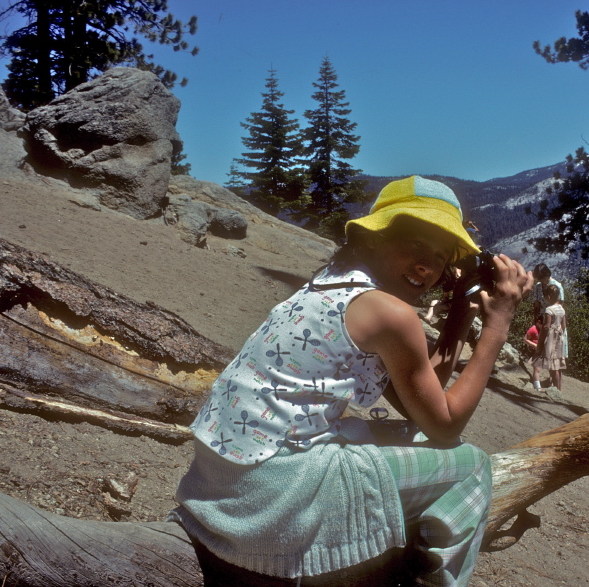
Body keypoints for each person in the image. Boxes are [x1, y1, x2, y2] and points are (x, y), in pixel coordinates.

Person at [170, 175, 533, 587]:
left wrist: (461, 316)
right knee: (473, 465)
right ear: (374, 238)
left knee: (408, 433)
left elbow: (418, 396)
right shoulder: (390, 313)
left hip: (218, 483)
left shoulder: (328, 285)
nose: (426, 266)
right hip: (271, 501)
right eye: (415, 243)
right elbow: (446, 426)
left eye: (440, 255)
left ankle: (396, 555)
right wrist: (498, 325)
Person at [532, 284, 566, 391]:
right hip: (559, 339)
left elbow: (546, 326)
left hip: (551, 339)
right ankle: (558, 389)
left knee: (551, 365)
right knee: (557, 365)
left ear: (549, 297)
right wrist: (559, 334)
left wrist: (541, 341)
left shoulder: (549, 310)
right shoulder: (561, 309)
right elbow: (564, 325)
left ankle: (555, 390)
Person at [524, 314, 543, 390]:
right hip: (533, 351)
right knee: (537, 368)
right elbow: (525, 339)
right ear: (539, 322)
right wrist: (534, 345)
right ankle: (538, 386)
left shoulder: (542, 330)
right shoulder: (533, 329)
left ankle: (537, 384)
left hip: (539, 351)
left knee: (538, 368)